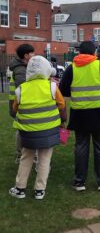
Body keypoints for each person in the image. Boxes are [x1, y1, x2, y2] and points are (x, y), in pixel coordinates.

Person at [59, 41, 100, 191]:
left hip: (80, 114)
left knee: (81, 146)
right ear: (94, 52)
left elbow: (63, 90)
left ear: (79, 52)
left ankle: (79, 182)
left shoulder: (72, 68)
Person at [9, 56, 65, 200]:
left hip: (27, 131)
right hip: (48, 130)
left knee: (26, 157)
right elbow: (61, 104)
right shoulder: (51, 86)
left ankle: (20, 188)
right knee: (44, 159)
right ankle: (40, 190)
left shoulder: (21, 89)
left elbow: (15, 108)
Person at [9, 43, 35, 164]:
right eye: (32, 53)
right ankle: (20, 155)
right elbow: (23, 88)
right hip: (20, 105)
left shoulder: (22, 66)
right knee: (21, 131)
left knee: (22, 130)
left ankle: (22, 154)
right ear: (26, 55)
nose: (33, 55)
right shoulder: (20, 69)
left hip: (17, 104)